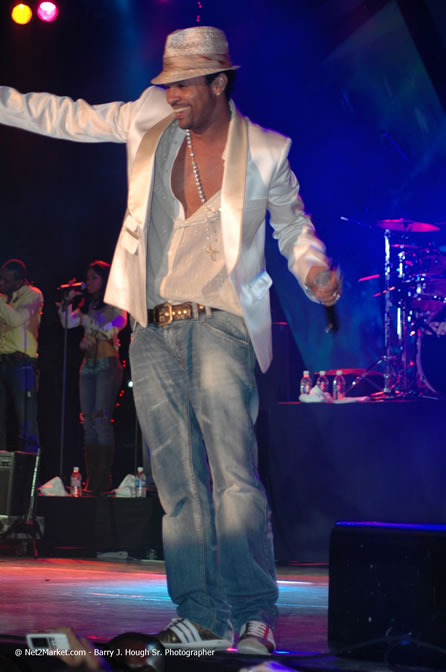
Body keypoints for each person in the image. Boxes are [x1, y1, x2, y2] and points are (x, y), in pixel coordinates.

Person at [0, 26, 341, 653]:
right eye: (168, 84)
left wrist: (315, 271)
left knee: (233, 476)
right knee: (178, 486)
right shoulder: (150, 118)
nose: (172, 95)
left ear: (219, 83)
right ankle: (202, 614)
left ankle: (254, 613)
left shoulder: (266, 152)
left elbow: (294, 228)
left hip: (220, 324)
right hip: (152, 329)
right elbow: (68, 116)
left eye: (184, 85)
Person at [58, 261, 127, 495]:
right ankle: (91, 479)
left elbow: (120, 321)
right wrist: (67, 301)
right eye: (87, 277)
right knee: (88, 421)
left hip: (107, 364)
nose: (88, 282)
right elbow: (68, 322)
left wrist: (99, 331)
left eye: (94, 277)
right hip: (88, 366)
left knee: (101, 419)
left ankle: (103, 479)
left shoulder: (114, 303)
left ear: (105, 280)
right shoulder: (86, 307)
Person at [0, 259, 43, 454]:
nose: (1, 283)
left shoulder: (33, 295)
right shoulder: (4, 298)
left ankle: (30, 470)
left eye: (6, 280)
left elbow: (16, 319)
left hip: (21, 364)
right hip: (2, 362)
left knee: (26, 422)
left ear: (19, 281)